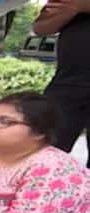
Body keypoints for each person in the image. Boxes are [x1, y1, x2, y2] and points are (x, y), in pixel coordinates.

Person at [33, 0, 90, 168]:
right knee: (43, 150)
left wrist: (82, 6)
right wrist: (69, 11)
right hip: (68, 81)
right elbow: (40, 28)